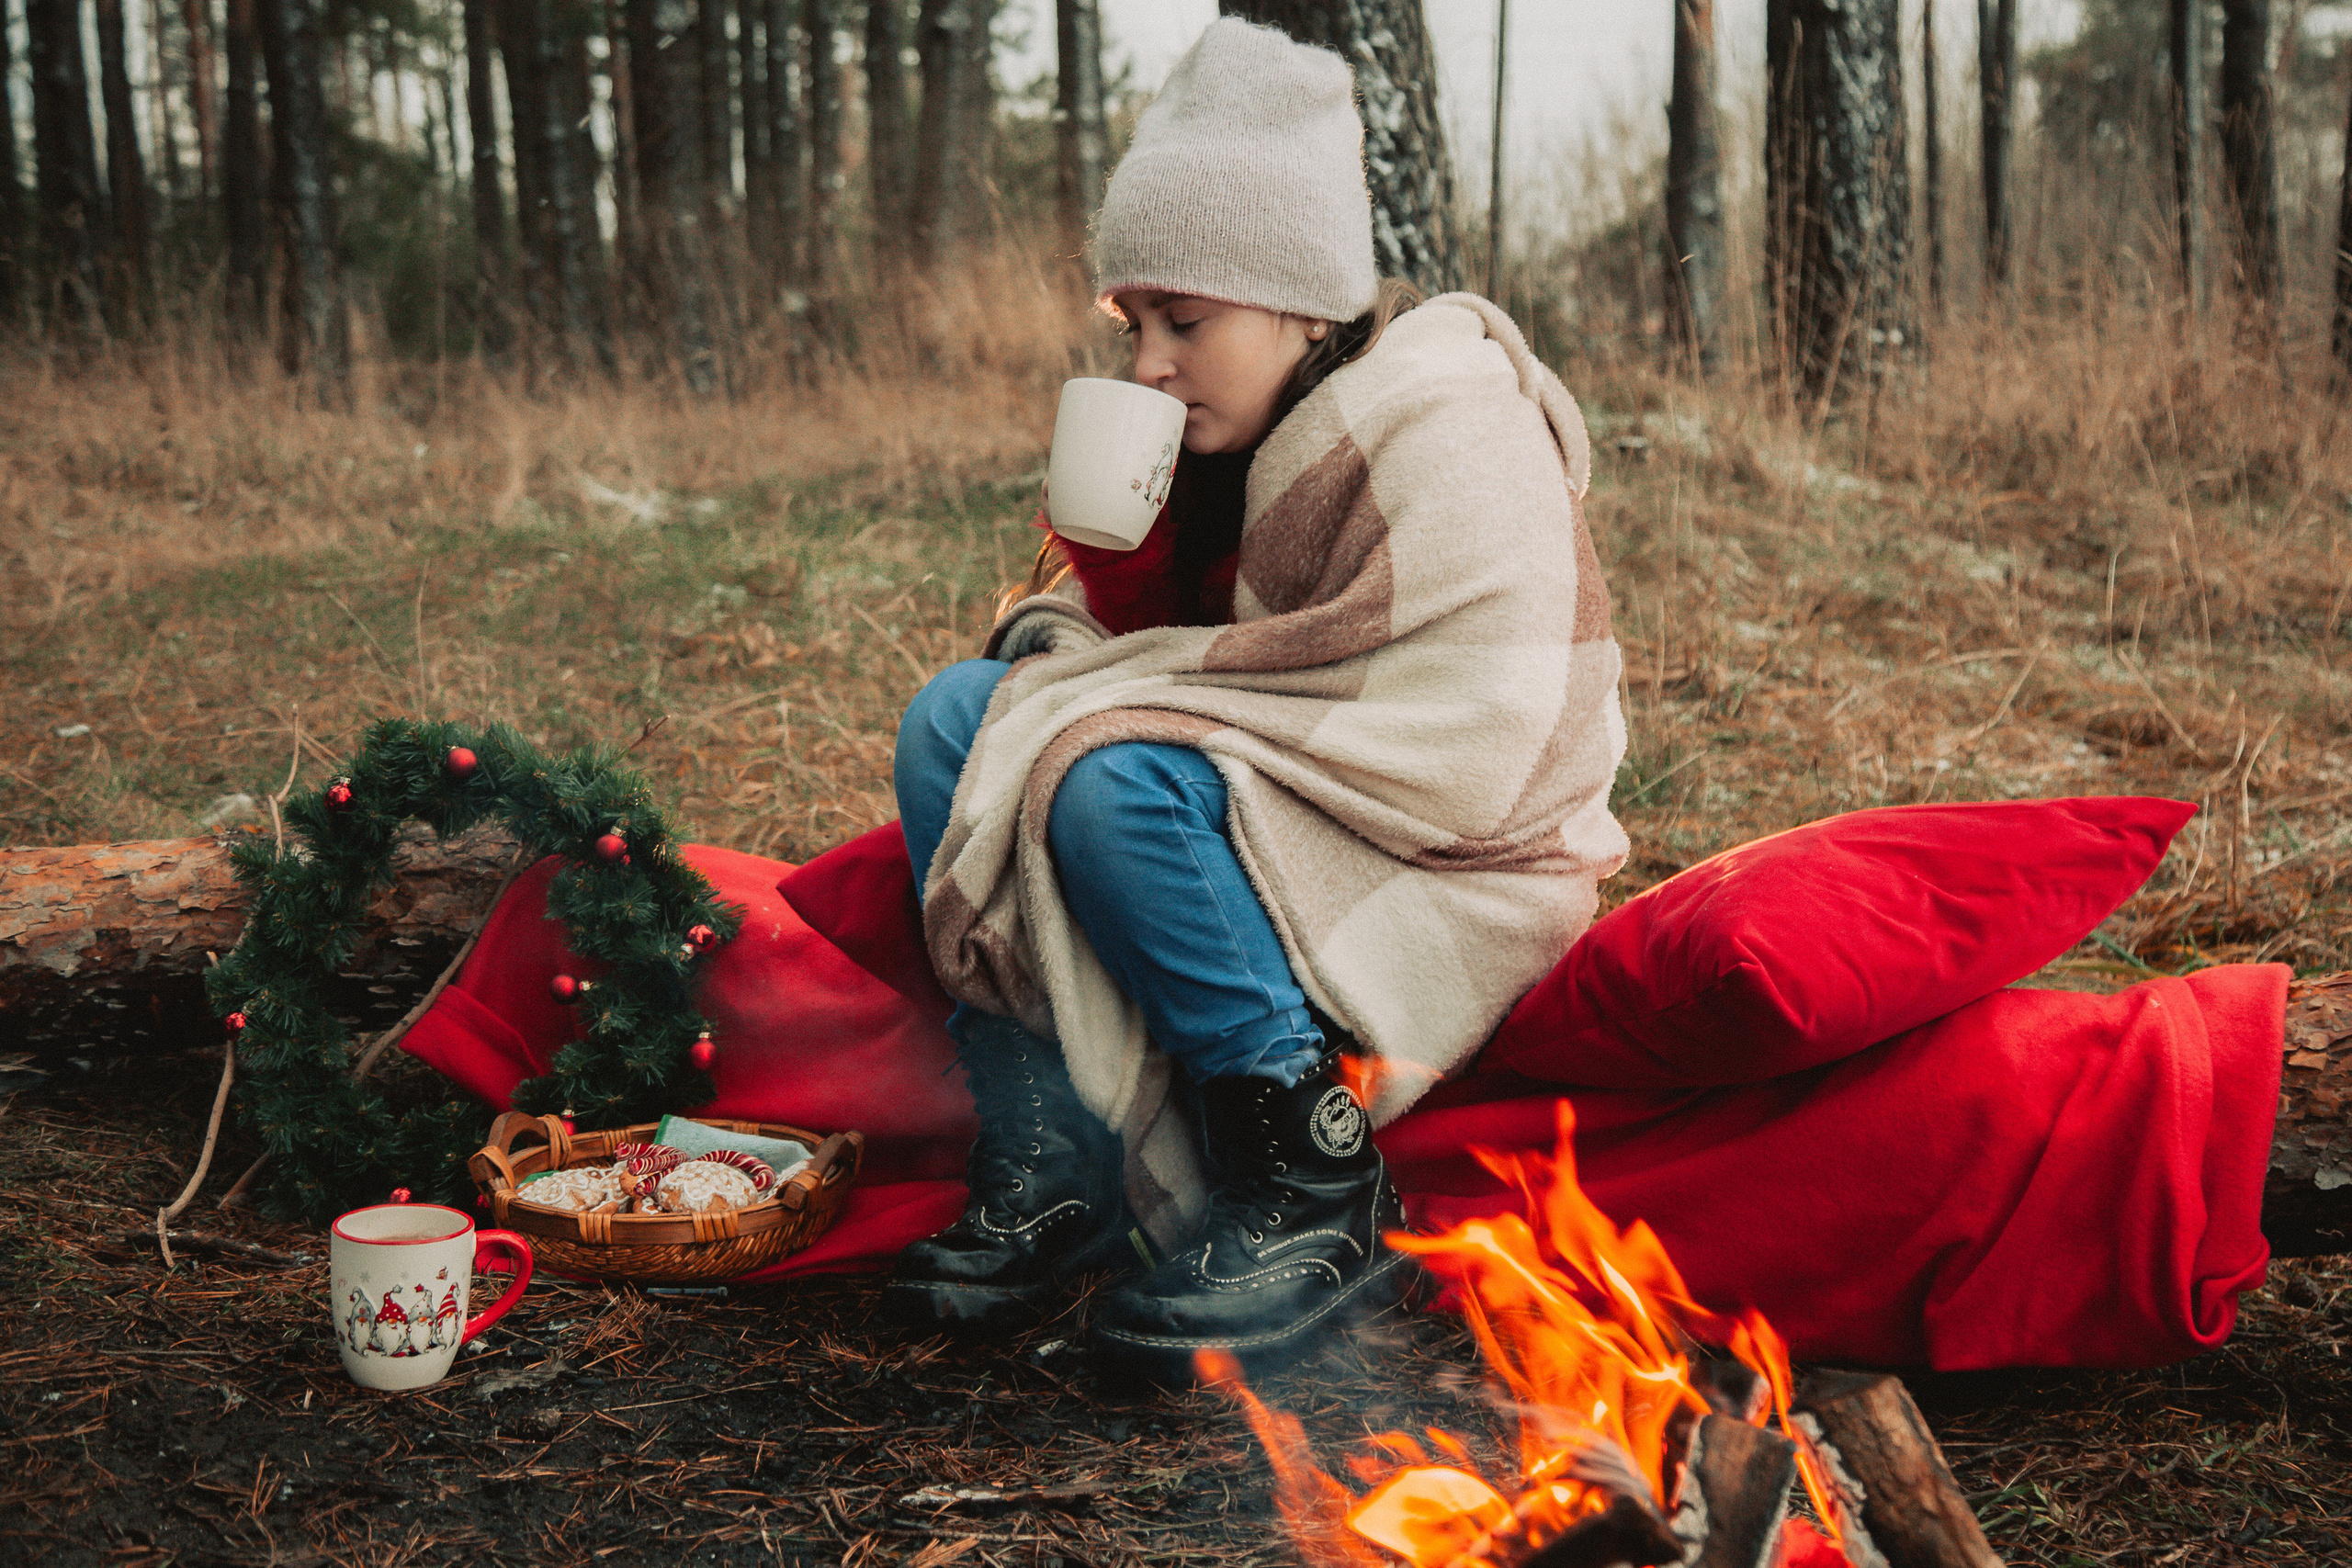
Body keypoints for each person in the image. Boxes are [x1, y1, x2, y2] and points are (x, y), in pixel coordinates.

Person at [882, 17, 1628, 1385]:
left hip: (1436, 833)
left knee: (1109, 771)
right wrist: (1118, 555)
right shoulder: (1226, 439)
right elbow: (1193, 657)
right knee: (955, 715)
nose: (1150, 363)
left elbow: (1485, 711)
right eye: (1134, 326)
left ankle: (1303, 1175)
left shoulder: (1439, 423)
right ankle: (1055, 1145)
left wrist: (1127, 696)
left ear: (1303, 304)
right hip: (1273, 768)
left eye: (1188, 323)